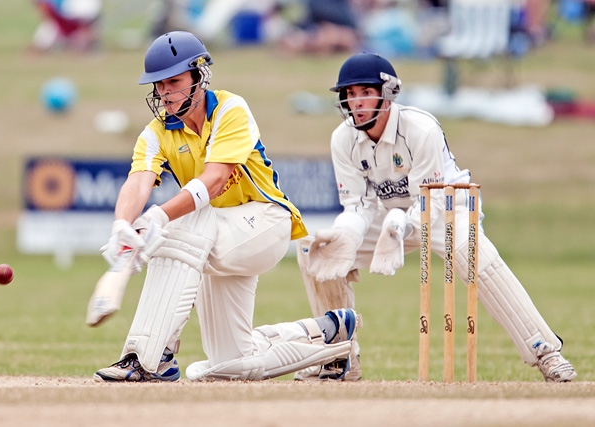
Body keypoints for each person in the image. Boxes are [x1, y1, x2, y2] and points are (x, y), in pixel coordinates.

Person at [90, 31, 358, 382]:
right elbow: (138, 180)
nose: (165, 93)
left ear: (199, 77)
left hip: (264, 223)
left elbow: (215, 179)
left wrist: (157, 216)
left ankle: (148, 358)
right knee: (230, 365)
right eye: (159, 85)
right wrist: (121, 225)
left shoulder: (231, 109)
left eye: (174, 82)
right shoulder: (155, 134)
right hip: (214, 238)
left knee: (183, 221)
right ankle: (329, 340)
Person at [294, 52, 577, 383]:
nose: (356, 102)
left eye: (365, 93)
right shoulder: (342, 138)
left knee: (472, 256)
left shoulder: (420, 127)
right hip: (389, 215)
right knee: (314, 251)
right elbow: (357, 205)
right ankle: (339, 357)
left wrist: (400, 226)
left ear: (387, 93)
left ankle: (546, 352)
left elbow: (432, 200)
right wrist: (345, 235)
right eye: (350, 95)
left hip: (447, 207)